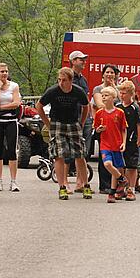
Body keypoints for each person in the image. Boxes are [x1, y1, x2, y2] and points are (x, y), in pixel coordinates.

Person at [36, 67, 90, 200]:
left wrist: (81, 123)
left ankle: (86, 185)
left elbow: (86, 106)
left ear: (71, 80)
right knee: (59, 154)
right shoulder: (53, 91)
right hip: (57, 123)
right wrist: (47, 123)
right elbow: (39, 105)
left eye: (64, 80)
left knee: (80, 154)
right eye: (59, 80)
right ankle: (62, 187)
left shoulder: (78, 91)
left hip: (73, 123)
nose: (61, 83)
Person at [0, 63, 22, 192]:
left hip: (11, 120)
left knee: (12, 150)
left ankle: (13, 181)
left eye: (6, 71)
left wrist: (1, 108)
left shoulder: (14, 86)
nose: (4, 74)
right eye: (2, 71)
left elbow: (16, 103)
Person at [94, 87, 130, 203]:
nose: (103, 97)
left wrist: (124, 143)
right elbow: (96, 128)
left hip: (117, 144)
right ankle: (122, 179)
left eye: (106, 95)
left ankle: (112, 193)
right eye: (102, 95)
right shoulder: (99, 113)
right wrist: (99, 129)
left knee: (116, 166)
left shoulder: (120, 113)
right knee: (108, 164)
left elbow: (124, 129)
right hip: (105, 144)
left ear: (113, 98)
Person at [92, 64, 121, 194]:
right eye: (107, 72)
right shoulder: (98, 89)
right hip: (102, 126)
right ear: (103, 74)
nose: (109, 75)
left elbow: (123, 102)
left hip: (115, 127)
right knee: (104, 157)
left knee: (115, 155)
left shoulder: (117, 89)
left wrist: (114, 87)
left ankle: (115, 184)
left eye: (112, 73)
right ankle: (104, 185)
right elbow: (100, 105)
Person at [69, 50, 93, 194]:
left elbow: (87, 101)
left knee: (84, 151)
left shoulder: (83, 80)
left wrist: (89, 116)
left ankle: (80, 181)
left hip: (85, 118)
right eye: (81, 59)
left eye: (84, 59)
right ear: (73, 61)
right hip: (71, 118)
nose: (84, 61)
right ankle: (65, 183)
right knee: (69, 152)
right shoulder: (67, 77)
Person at [117, 81, 140, 201]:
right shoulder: (118, 107)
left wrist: (139, 138)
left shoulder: (135, 107)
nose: (122, 95)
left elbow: (139, 123)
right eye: (120, 93)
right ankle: (121, 187)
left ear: (131, 94)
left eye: (124, 93)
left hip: (132, 139)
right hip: (120, 140)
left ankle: (131, 189)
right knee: (120, 165)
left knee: (132, 166)